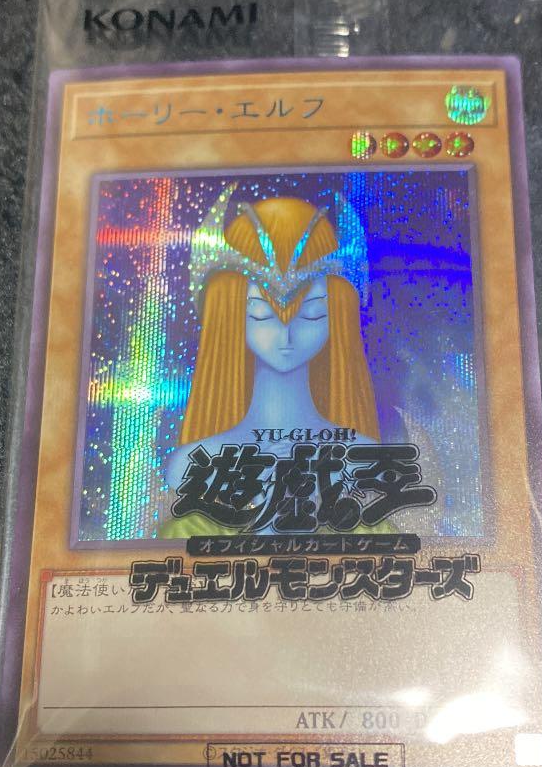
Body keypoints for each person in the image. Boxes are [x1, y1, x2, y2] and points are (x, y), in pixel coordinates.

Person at [159, 195, 382, 537]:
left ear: (337, 316)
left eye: (312, 314)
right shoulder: (195, 462)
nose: (285, 336)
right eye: (262, 315)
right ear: (230, 314)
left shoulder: (363, 456)